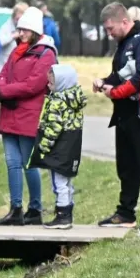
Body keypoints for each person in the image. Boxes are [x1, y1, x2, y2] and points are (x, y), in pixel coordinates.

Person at [0, 6, 58, 226]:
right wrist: (2, 87)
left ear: (35, 31)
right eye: (19, 29)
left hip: (29, 115)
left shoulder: (46, 54)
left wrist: (5, 90)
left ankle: (35, 209)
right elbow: (2, 74)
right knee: (12, 163)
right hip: (9, 113)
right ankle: (16, 208)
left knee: (29, 163)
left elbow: (34, 85)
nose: (20, 33)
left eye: (24, 30)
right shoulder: (16, 51)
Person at [94, 2, 140, 231]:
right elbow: (119, 75)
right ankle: (125, 212)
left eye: (111, 28)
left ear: (125, 21)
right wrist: (104, 81)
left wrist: (116, 92)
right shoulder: (123, 43)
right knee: (126, 167)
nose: (109, 34)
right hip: (123, 114)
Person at [30, 64, 86, 229]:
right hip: (72, 147)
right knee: (67, 181)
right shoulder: (75, 100)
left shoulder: (57, 101)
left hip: (58, 149)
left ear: (62, 84)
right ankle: (68, 212)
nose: (48, 86)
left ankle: (62, 216)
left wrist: (43, 147)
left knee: (58, 183)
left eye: (51, 83)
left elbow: (53, 128)